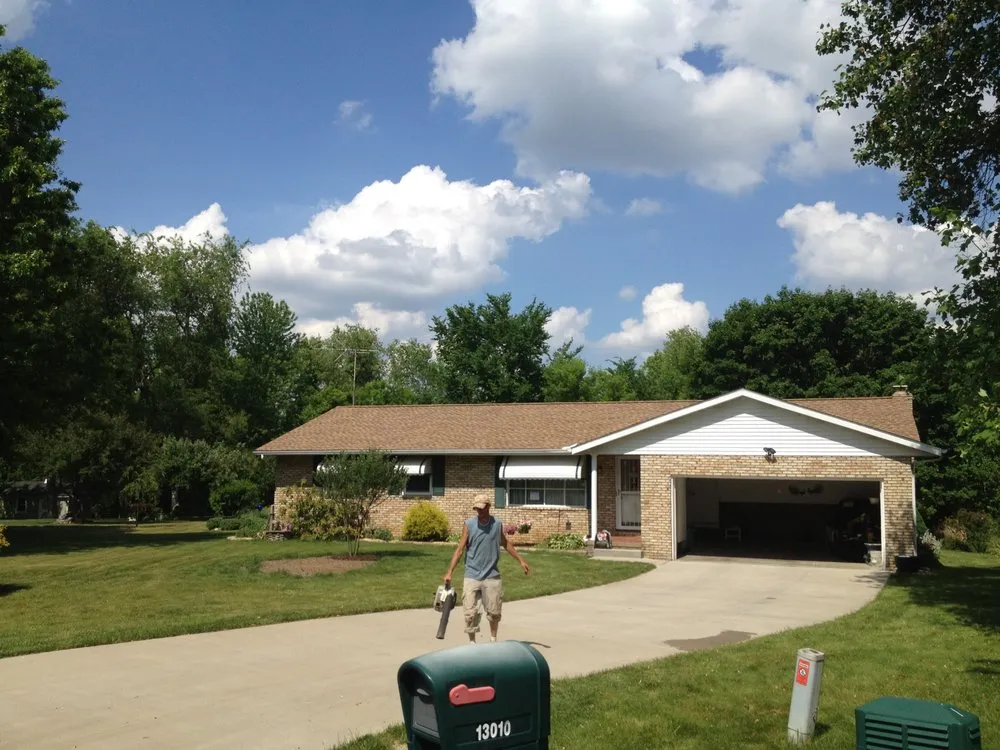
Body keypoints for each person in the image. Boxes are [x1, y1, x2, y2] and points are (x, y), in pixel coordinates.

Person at [443, 495, 531, 643]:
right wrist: (450, 572)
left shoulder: (497, 524)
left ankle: (493, 640)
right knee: (470, 612)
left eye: (482, 508)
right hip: (472, 574)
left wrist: (520, 560)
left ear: (489, 507)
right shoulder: (469, 524)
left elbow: (505, 543)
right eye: (477, 508)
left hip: (492, 575)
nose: (479, 511)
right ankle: (472, 642)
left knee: (494, 612)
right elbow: (460, 550)